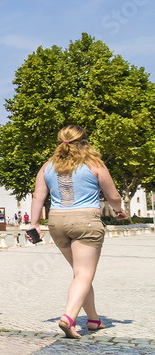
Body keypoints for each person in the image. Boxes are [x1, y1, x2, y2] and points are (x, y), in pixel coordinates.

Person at [28, 125, 128, 339]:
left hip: (57, 222)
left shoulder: (47, 166)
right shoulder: (94, 164)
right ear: (85, 141)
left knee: (80, 273)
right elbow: (114, 196)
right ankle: (69, 317)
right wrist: (119, 211)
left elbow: (38, 196)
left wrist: (34, 224)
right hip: (86, 222)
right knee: (84, 273)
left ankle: (93, 319)